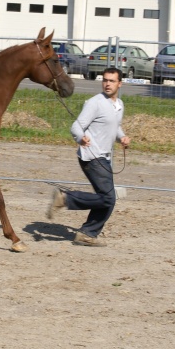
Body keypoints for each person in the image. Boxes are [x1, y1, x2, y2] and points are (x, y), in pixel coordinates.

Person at [47, 66, 130, 246]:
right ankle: (65, 199)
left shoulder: (119, 105)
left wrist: (121, 137)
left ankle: (87, 233)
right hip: (92, 156)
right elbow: (76, 126)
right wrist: (80, 138)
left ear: (120, 84)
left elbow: (115, 126)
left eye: (112, 81)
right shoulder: (95, 102)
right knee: (108, 198)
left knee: (107, 200)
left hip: (104, 157)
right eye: (105, 80)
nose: (107, 84)